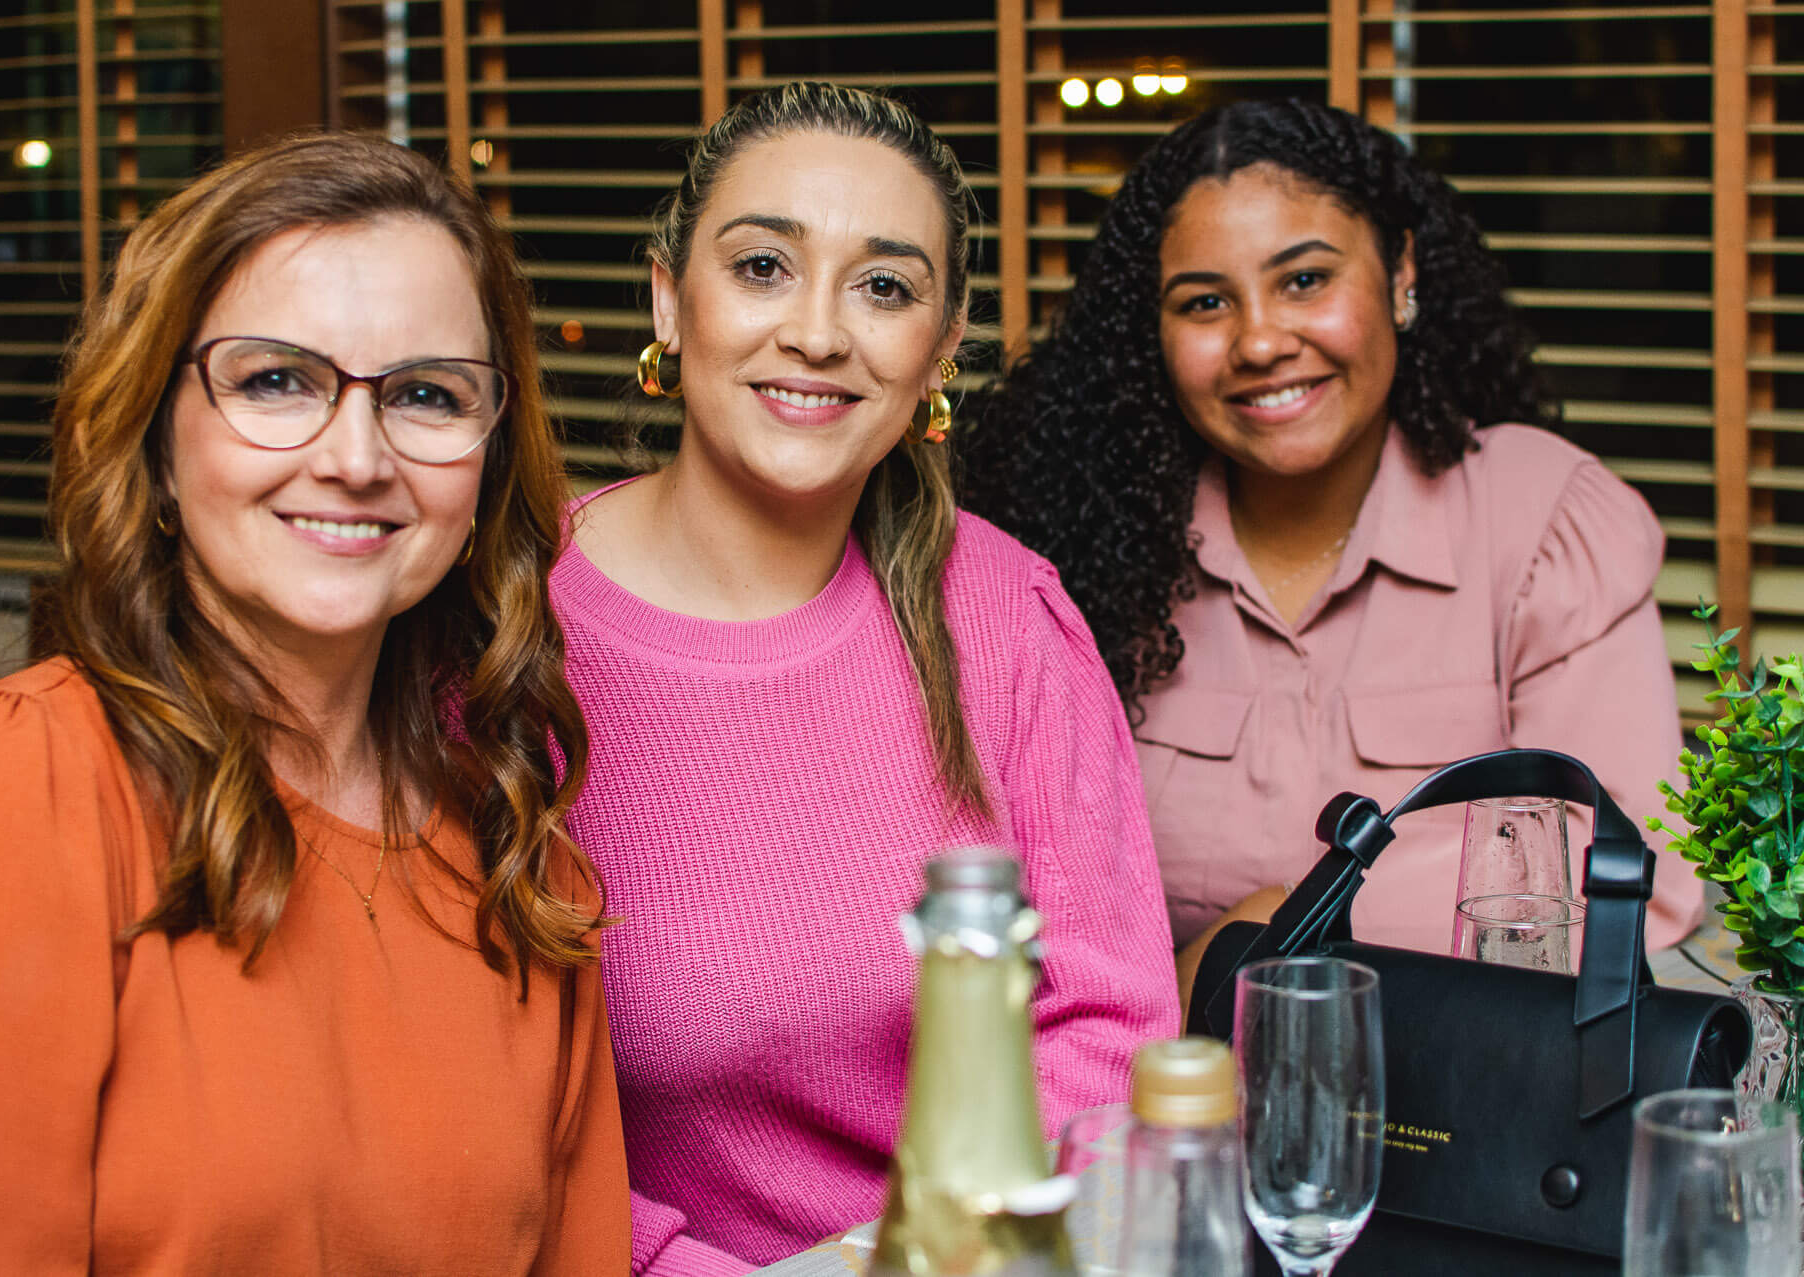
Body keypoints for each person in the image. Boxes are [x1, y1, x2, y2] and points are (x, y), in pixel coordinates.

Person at [0, 133, 629, 1274]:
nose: (356, 457)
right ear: (158, 440)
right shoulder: (2, 796)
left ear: (486, 468)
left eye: (427, 394)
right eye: (276, 380)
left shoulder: (516, 858)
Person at [554, 81, 1180, 1276]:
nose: (818, 334)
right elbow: (487, 1119)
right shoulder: (506, 633)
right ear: (667, 299)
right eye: (761, 268)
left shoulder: (1007, 614)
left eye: (883, 287)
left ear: (940, 347)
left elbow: (1106, 1037)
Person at [960, 97, 1703, 988]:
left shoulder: (1541, 521)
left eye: (1305, 280)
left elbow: (1633, 874)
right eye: (1205, 302)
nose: (1260, 340)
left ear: (1400, 273)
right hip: (1166, 1069)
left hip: (1457, 1068)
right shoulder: (1082, 551)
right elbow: (1000, 875)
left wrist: (1274, 928)